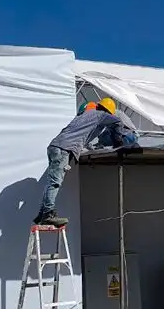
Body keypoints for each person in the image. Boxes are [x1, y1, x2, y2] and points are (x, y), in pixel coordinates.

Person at [33, 97, 138, 227]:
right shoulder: (101, 115)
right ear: (108, 111)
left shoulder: (85, 115)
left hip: (55, 146)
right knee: (55, 183)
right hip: (64, 149)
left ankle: (42, 212)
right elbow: (117, 122)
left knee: (51, 181)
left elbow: (83, 136)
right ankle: (48, 214)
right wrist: (118, 142)